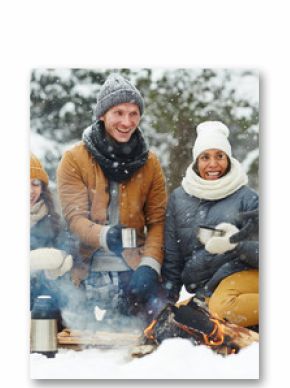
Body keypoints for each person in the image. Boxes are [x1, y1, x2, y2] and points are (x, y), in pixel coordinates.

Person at [57, 74, 167, 326]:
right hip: (85, 268)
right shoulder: (74, 159)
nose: (127, 122)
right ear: (102, 115)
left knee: (155, 332)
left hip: (133, 267)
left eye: (133, 113)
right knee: (75, 337)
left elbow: (158, 221)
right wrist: (106, 235)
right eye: (118, 112)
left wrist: (149, 266)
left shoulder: (150, 163)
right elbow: (75, 219)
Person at [162, 121, 259, 328]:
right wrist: (167, 301)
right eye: (205, 157)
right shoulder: (179, 199)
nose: (213, 164)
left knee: (222, 308)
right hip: (206, 289)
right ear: (196, 161)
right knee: (181, 318)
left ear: (229, 159)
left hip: (245, 277)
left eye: (219, 156)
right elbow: (173, 258)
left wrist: (236, 244)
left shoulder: (247, 198)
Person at [30, 154, 73, 324]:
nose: (30, 190)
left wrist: (63, 262)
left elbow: (69, 251)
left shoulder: (53, 221)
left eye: (35, 183)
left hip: (45, 311)